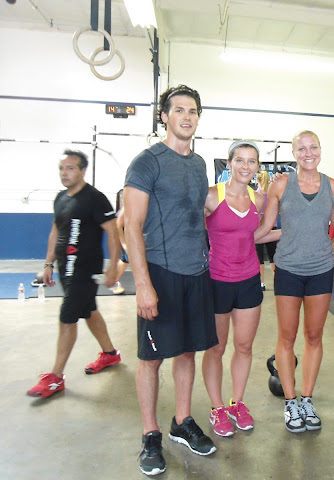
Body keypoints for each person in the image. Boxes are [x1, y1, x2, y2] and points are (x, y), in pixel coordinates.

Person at [124, 85, 217, 476]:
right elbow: (131, 226)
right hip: (160, 273)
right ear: (164, 116)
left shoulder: (198, 165)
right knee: (151, 359)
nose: (186, 117)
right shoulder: (147, 162)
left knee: (187, 352)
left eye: (192, 111)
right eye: (178, 110)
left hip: (196, 272)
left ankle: (181, 420)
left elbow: (206, 210)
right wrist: (143, 284)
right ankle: (150, 434)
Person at [254, 130, 334, 433]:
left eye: (313, 147)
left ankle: (306, 398)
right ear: (294, 153)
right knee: (286, 337)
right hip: (289, 269)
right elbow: (265, 227)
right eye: (302, 148)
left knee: (314, 336)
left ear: (320, 150)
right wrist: (225, 242)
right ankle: (291, 402)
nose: (308, 153)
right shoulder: (281, 185)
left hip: (320, 269)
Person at [27, 149, 121, 398]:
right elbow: (55, 232)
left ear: (82, 171)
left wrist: (112, 267)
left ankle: (56, 377)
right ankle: (110, 354)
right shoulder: (60, 198)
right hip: (64, 268)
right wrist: (48, 265)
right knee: (88, 311)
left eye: (70, 168)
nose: (64, 173)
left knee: (67, 316)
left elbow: (113, 233)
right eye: (61, 168)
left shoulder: (95, 199)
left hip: (85, 269)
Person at [202, 140, 280, 437]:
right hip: (217, 280)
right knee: (217, 348)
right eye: (240, 160)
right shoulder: (211, 196)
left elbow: (256, 236)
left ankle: (237, 402)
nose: (246, 166)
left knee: (244, 347)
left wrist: (288, 232)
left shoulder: (259, 201)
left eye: (251, 161)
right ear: (230, 163)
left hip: (248, 279)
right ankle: (217, 407)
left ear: (257, 167)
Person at [255, 170, 278, 291]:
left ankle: (261, 283)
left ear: (258, 180)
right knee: (273, 256)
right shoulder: (271, 195)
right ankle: (277, 281)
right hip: (272, 227)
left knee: (259, 259)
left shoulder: (257, 195)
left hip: (259, 229)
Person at [111, 188, 127, 295]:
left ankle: (113, 278)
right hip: (122, 234)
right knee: (126, 259)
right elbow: (118, 225)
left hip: (128, 235)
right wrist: (124, 243)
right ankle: (114, 281)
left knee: (126, 260)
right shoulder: (127, 208)